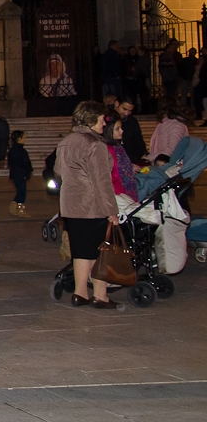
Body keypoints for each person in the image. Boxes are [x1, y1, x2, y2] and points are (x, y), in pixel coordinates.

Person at [54, 101, 118, 308]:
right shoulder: (94, 144)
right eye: (102, 120)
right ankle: (100, 295)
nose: (104, 124)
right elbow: (102, 181)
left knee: (81, 251)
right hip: (92, 206)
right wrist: (112, 211)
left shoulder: (66, 142)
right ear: (91, 119)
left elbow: (58, 171)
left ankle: (79, 293)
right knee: (100, 252)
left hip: (71, 206)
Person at [7, 130, 33, 216]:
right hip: (21, 174)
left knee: (20, 191)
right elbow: (26, 163)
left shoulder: (11, 150)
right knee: (22, 192)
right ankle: (19, 209)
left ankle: (14, 207)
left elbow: (9, 162)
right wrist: (29, 171)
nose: (24, 139)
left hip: (14, 174)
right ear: (19, 139)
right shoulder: (22, 151)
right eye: (23, 137)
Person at [115, 98, 147, 163]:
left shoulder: (132, 121)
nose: (126, 113)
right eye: (124, 109)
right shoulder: (107, 120)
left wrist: (133, 160)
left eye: (130, 111)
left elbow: (139, 143)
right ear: (117, 104)